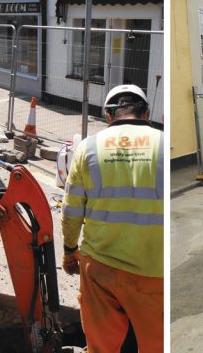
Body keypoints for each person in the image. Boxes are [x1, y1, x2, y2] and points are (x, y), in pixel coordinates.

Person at [61, 84, 163, 353]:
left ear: (108, 115)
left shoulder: (87, 148)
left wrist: (70, 251)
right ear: (146, 113)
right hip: (152, 272)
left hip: (100, 269)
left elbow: (71, 210)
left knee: (102, 347)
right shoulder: (163, 144)